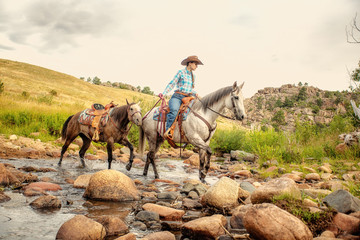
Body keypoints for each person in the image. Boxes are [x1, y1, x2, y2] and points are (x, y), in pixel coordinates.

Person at [158, 55, 203, 138]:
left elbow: (190, 89)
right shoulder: (180, 72)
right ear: (190, 63)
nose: (197, 66)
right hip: (177, 96)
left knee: (195, 112)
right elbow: (172, 83)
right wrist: (164, 93)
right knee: (174, 110)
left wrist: (196, 93)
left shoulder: (194, 76)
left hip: (188, 97)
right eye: (196, 64)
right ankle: (168, 131)